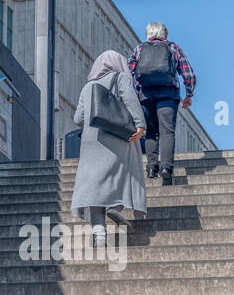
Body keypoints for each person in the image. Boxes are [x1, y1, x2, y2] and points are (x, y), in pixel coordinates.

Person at [71, 50, 146, 246]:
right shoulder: (121, 77)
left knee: (95, 185)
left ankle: (99, 234)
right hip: (116, 137)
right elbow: (130, 100)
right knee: (120, 173)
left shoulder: (88, 87)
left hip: (91, 142)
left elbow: (78, 118)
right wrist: (140, 124)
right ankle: (116, 205)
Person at [128, 22, 196, 184]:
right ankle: (166, 167)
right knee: (167, 132)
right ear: (164, 34)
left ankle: (151, 167)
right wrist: (189, 94)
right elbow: (188, 73)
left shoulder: (139, 48)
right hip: (168, 93)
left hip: (145, 94)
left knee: (151, 132)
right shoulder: (173, 48)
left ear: (148, 34)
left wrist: (133, 93)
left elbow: (128, 71)